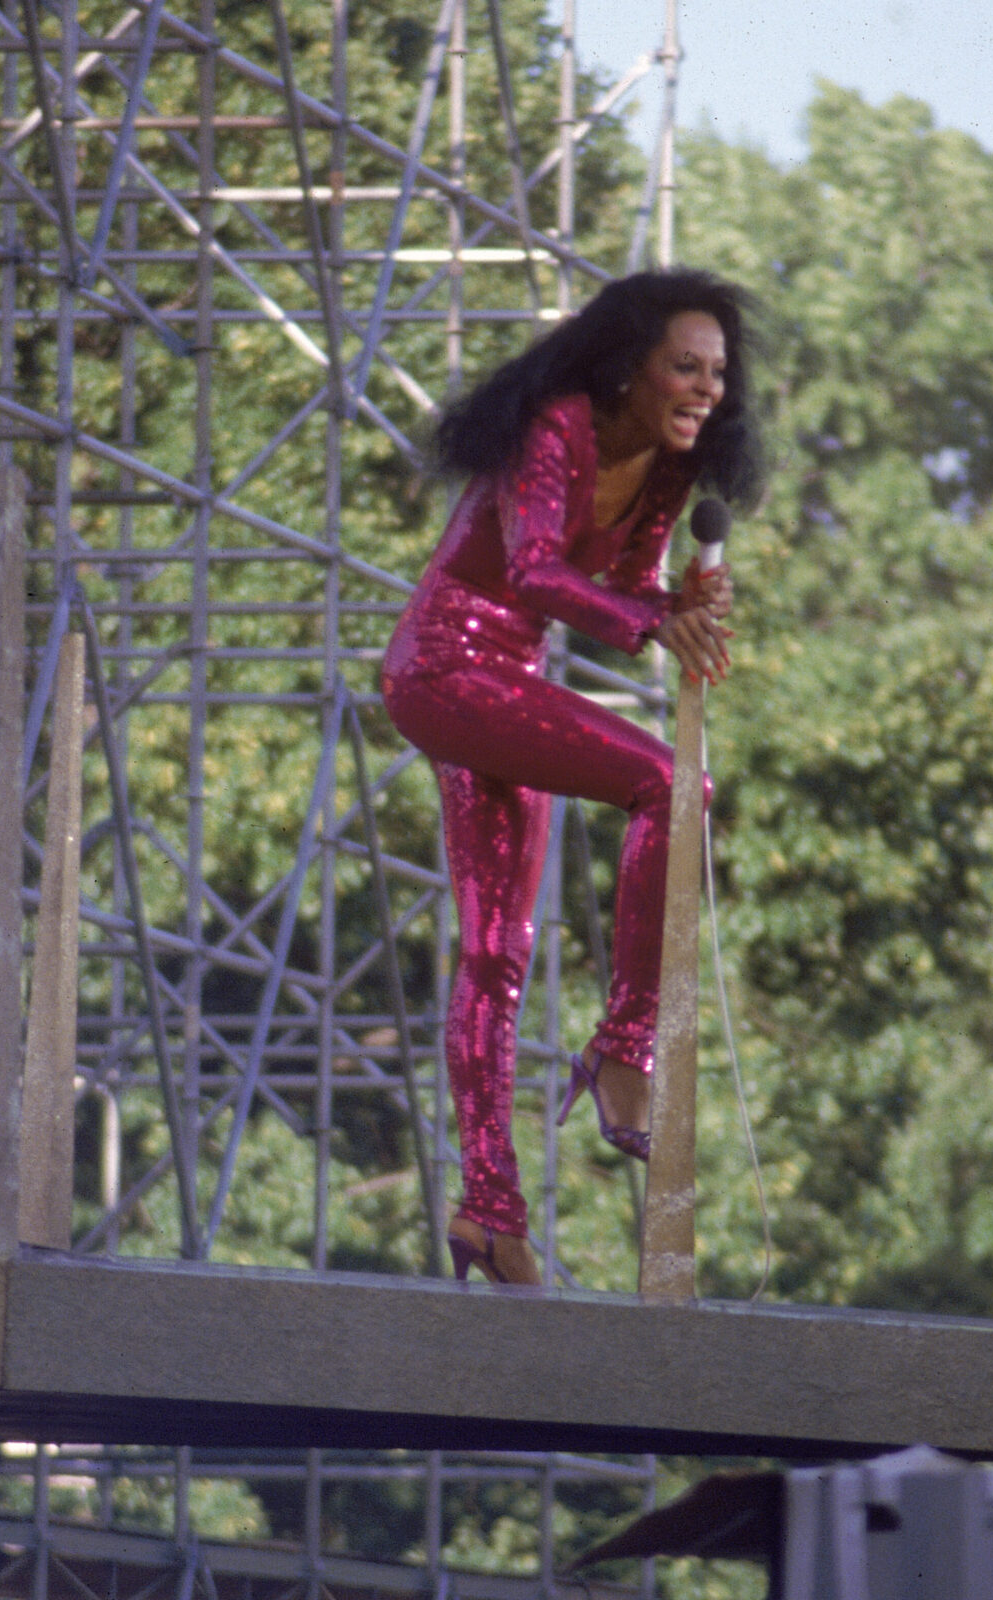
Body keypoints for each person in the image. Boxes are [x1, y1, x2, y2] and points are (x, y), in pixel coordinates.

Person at [382, 269, 761, 1287]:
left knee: (495, 952)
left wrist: (675, 603)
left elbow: (627, 582)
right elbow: (536, 570)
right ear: (628, 367)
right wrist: (648, 623)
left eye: (717, 372)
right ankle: (624, 1045)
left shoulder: (672, 466)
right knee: (672, 785)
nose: (706, 389)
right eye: (685, 366)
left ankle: (489, 1210)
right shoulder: (555, 427)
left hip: (507, 681)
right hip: (442, 666)